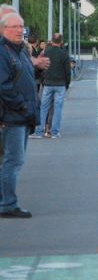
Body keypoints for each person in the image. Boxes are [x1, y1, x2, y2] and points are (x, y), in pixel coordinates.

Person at [0, 12, 39, 218]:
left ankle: (5, 201)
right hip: (12, 116)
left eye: (20, 26)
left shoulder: (20, 51)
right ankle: (7, 204)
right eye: (13, 27)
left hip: (22, 115)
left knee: (13, 161)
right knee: (12, 161)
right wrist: (22, 106)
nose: (18, 30)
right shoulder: (3, 52)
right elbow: (3, 86)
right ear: (3, 30)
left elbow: (27, 77)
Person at [30, 34, 71, 139]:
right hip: (60, 84)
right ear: (61, 42)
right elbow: (68, 71)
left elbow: (40, 67)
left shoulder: (45, 52)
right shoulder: (64, 54)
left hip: (47, 84)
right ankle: (55, 132)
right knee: (58, 108)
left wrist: (43, 80)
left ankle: (39, 132)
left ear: (52, 41)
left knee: (43, 107)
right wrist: (67, 84)